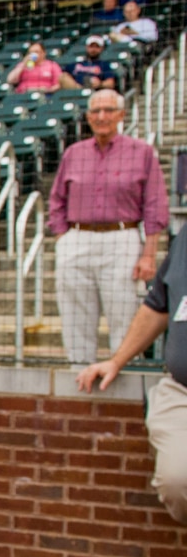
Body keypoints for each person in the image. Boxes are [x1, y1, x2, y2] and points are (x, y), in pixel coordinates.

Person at [49, 90, 168, 365]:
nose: (102, 116)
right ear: (88, 117)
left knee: (123, 311)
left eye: (109, 110)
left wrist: (149, 254)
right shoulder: (73, 153)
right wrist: (62, 238)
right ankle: (78, 373)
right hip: (77, 237)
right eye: (96, 111)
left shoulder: (142, 152)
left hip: (122, 236)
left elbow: (154, 204)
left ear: (121, 115)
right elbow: (56, 200)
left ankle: (123, 372)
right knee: (75, 314)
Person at [76, 233, 187, 524]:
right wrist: (117, 359)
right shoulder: (185, 238)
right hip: (182, 393)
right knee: (177, 480)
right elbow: (157, 306)